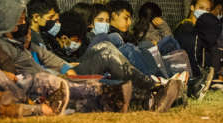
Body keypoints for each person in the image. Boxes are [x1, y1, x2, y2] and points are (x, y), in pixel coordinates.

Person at [0, 0, 133, 113]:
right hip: (41, 85)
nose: (23, 24)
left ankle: (134, 91)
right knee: (106, 50)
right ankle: (130, 91)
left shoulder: (22, 42)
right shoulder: (2, 45)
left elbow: (49, 58)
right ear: (7, 22)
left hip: (57, 77)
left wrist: (65, 68)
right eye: (19, 20)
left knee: (112, 55)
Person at [54, 11, 184, 112]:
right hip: (59, 80)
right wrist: (65, 68)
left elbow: (53, 60)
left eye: (107, 20)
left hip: (70, 72)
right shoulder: (41, 42)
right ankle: (155, 89)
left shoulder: (44, 41)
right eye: (53, 19)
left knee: (113, 46)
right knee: (108, 48)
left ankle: (156, 90)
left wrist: (66, 66)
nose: (56, 24)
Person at [173, 0, 218, 99]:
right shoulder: (186, 27)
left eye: (207, 10)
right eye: (201, 8)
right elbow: (191, 54)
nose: (204, 12)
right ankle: (197, 83)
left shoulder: (201, 28)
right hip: (188, 71)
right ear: (192, 8)